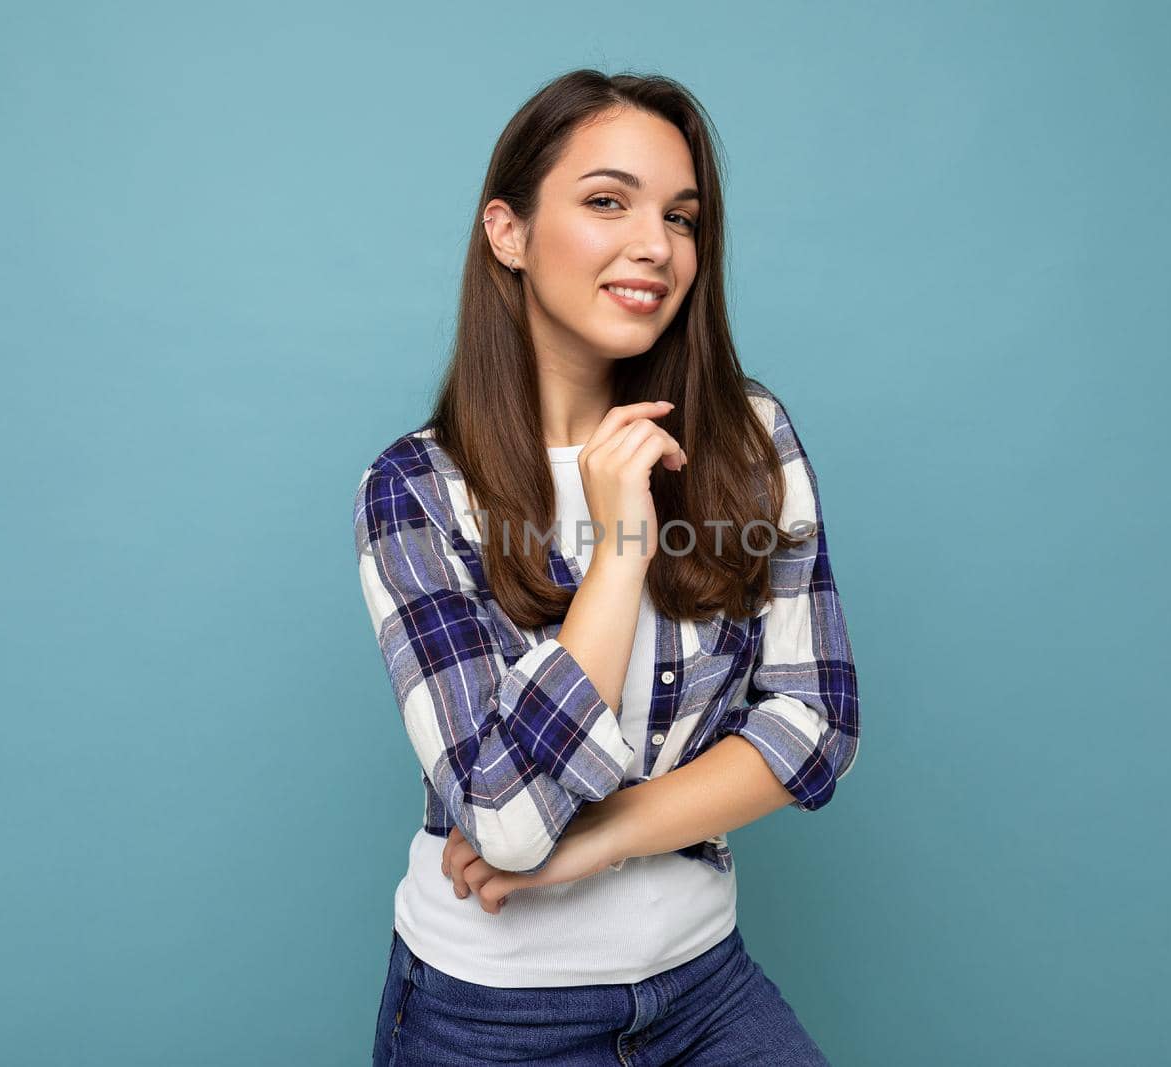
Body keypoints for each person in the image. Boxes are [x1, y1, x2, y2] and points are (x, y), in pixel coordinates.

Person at [352, 68, 859, 1066]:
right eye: (604, 202)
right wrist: (621, 542)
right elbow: (499, 816)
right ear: (508, 232)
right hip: (492, 1018)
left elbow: (813, 720)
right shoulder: (413, 490)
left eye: (680, 216)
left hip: (704, 983)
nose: (654, 247)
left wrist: (597, 839)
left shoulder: (747, 438)